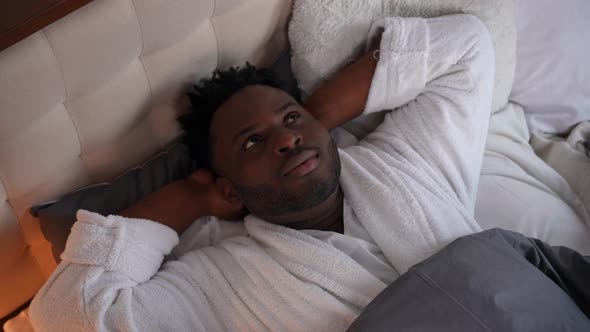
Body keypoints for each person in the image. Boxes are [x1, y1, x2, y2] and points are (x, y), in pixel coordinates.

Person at [30, 14, 495, 331]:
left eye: (289, 119)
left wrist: (315, 117)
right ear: (230, 188)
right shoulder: (221, 280)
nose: (286, 139)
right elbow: (66, 315)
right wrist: (190, 198)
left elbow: (466, 46)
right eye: (252, 141)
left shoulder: (405, 162)